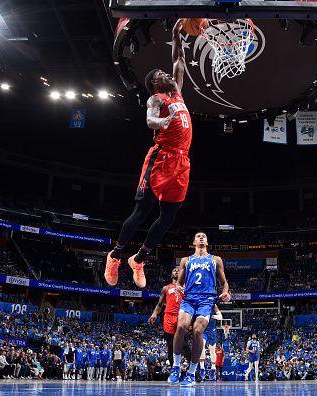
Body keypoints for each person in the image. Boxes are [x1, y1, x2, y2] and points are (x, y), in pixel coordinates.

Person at [104, 18, 192, 289]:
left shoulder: (177, 94)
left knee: (168, 217)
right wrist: (160, 123)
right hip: (160, 158)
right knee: (142, 211)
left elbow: (179, 59)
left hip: (181, 160)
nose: (166, 75)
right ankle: (115, 255)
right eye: (160, 76)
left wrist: (178, 32)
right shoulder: (156, 99)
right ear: (154, 84)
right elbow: (150, 120)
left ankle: (138, 259)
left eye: (166, 74)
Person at [167, 231, 230, 387]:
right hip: (189, 299)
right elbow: (178, 283)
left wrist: (225, 292)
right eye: (198, 236)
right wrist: (178, 288)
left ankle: (191, 373)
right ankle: (175, 366)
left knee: (197, 332)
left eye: (204, 236)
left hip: (206, 301)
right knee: (181, 327)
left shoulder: (215, 259)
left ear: (207, 242)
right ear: (194, 242)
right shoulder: (185, 260)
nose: (201, 237)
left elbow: (224, 283)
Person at [149, 267, 184, 365]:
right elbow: (160, 304)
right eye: (174, 270)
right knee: (170, 345)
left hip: (182, 316)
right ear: (171, 275)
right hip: (169, 317)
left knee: (184, 345)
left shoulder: (187, 287)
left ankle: (193, 371)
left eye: (179, 270)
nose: (177, 270)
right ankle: (174, 369)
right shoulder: (166, 288)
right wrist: (154, 314)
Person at [199, 304, 222, 381]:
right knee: (201, 346)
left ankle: (213, 368)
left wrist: (212, 316)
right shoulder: (200, 303)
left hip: (212, 330)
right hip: (203, 329)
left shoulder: (214, 305)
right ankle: (202, 368)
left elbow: (220, 317)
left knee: (212, 349)